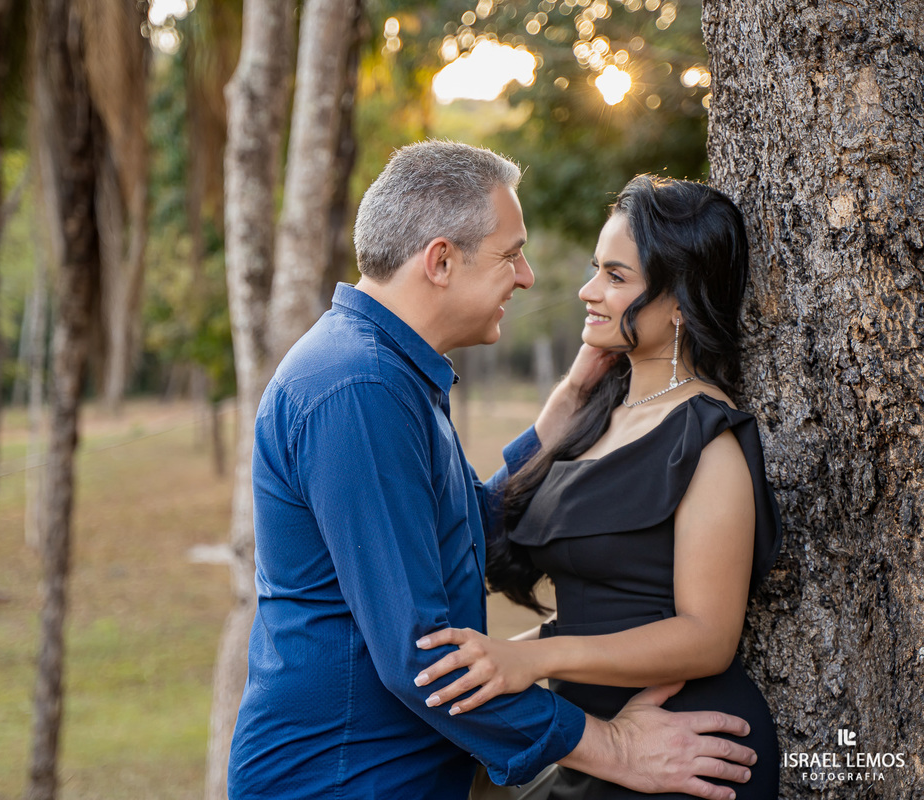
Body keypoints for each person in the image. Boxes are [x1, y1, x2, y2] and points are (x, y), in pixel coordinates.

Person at [227, 143, 759, 800]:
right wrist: (612, 746)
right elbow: (423, 657)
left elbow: (453, 540)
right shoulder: (359, 390)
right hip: (343, 778)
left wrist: (553, 422)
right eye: (511, 255)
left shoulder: (384, 372)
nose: (530, 277)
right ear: (441, 260)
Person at [414, 174, 782, 799]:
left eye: (616, 277)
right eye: (596, 270)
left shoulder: (707, 440)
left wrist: (533, 660)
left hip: (686, 750)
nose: (588, 291)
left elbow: (707, 636)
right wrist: (502, 657)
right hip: (598, 740)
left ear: (681, 304)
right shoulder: (600, 418)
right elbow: (517, 549)